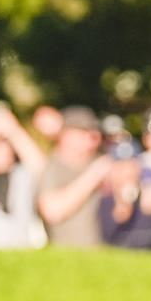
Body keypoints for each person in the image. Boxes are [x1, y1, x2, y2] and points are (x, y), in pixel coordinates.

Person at [37, 106, 111, 247]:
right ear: (64, 134)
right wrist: (93, 176)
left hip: (104, 255)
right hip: (67, 255)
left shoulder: (101, 161)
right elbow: (52, 211)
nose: (92, 136)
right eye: (83, 131)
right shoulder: (52, 167)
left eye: (93, 130)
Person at [98, 138, 151, 250]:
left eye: (131, 165)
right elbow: (110, 235)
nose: (127, 171)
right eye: (121, 166)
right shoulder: (106, 198)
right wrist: (123, 201)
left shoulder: (150, 190)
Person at [0, 106, 48, 249]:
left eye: (7, 145)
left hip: (16, 246)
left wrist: (13, 130)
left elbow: (42, 168)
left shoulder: (21, 175)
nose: (6, 151)